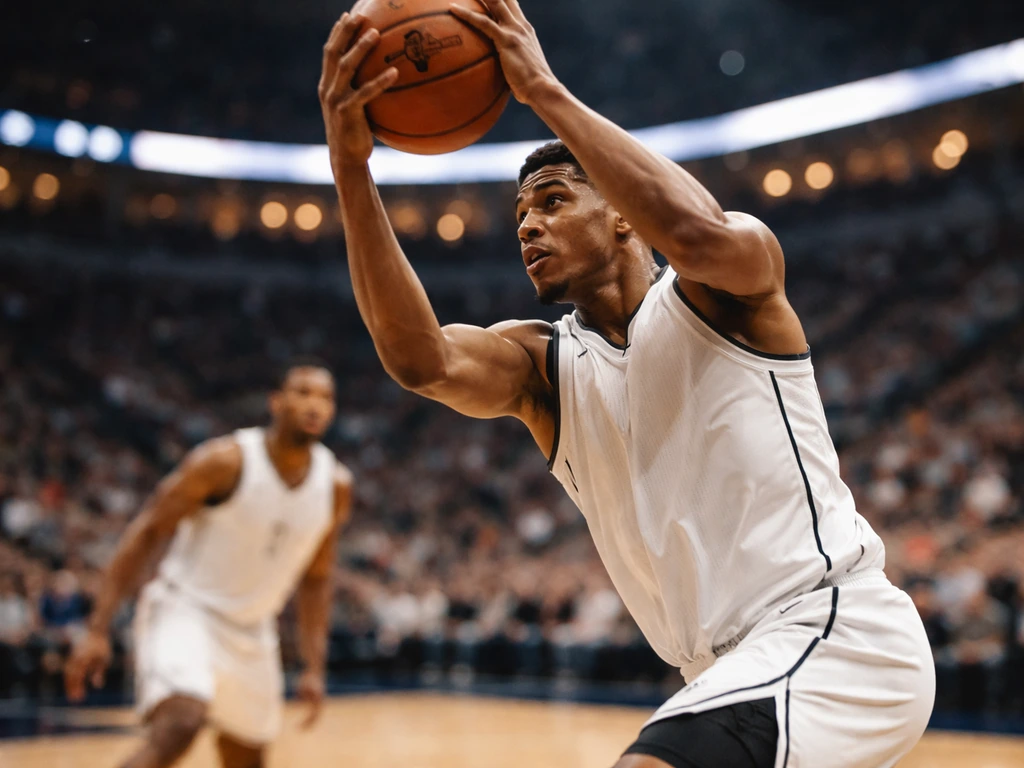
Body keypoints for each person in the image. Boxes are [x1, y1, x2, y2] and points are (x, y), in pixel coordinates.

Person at [318, 3, 935, 766]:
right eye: (519, 214)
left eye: (551, 201)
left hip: (833, 634)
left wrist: (541, 90)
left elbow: (695, 234)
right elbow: (421, 361)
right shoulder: (543, 369)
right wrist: (351, 167)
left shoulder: (725, 292)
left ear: (619, 215)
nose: (526, 228)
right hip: (723, 671)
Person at [65, 362, 352, 768]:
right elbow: (147, 531)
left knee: (246, 759)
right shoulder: (225, 461)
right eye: (303, 392)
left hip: (253, 629)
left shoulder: (336, 485)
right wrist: (97, 629)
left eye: (325, 397)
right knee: (182, 722)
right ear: (276, 402)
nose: (315, 404)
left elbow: (318, 578)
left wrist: (313, 666)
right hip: (186, 610)